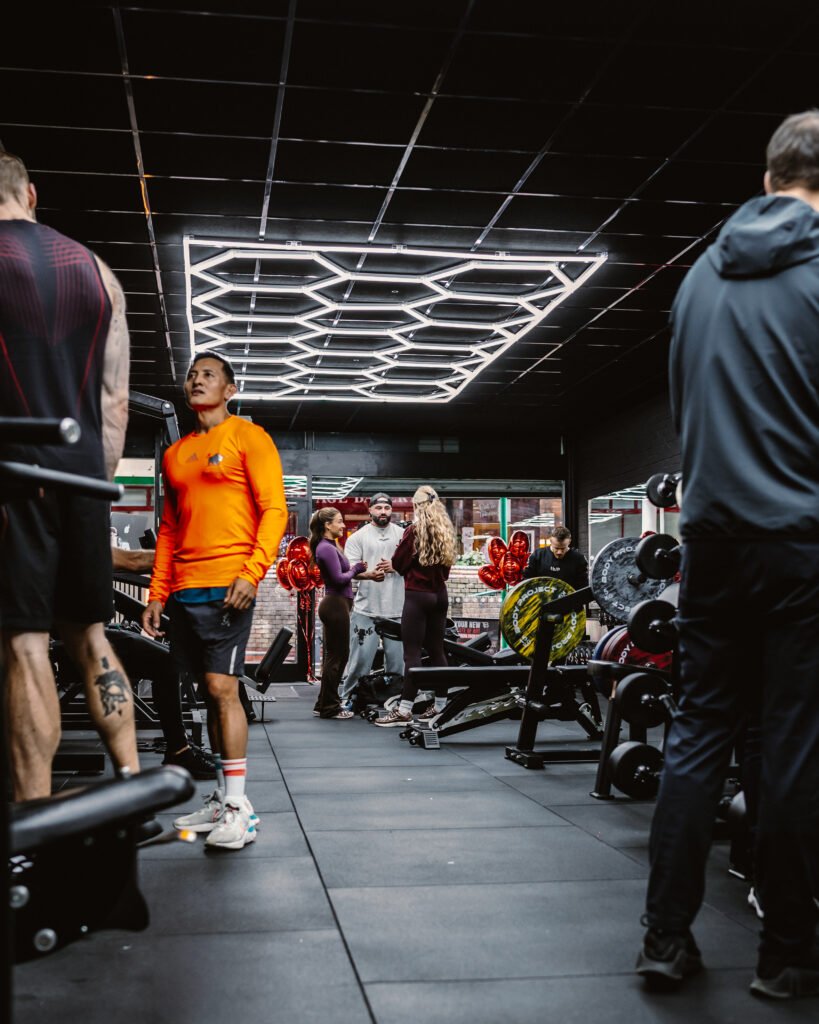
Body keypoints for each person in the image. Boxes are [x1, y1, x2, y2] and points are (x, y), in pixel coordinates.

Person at [636, 110, 819, 1000]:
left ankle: (665, 942)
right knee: (790, 745)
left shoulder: (700, 277)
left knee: (696, 732)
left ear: (766, 180)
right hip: (801, 542)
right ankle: (785, 954)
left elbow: (683, 409)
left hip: (710, 540)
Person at [0, 149, 140, 799]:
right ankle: (131, 786)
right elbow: (115, 401)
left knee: (24, 643)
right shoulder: (98, 271)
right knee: (90, 633)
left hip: (12, 474)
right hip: (85, 477)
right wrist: (93, 486)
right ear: (32, 194)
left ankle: (35, 816)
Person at [142, 352, 287, 851]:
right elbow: (168, 529)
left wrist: (253, 572)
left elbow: (275, 510)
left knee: (223, 688)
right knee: (207, 692)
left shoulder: (249, 437)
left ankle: (240, 808)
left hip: (230, 585)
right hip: (184, 588)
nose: (197, 380)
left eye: (209, 374)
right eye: (192, 374)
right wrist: (157, 592)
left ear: (230, 389)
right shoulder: (176, 454)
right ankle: (224, 796)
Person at [110, 544, 215, 779]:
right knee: (165, 662)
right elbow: (132, 560)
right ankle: (178, 751)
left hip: (86, 629)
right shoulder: (73, 538)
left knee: (166, 658)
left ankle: (180, 747)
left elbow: (117, 590)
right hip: (76, 635)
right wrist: (189, 558)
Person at [374, 485, 457, 727]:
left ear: (417, 506)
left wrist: (400, 564)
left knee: (411, 654)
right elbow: (446, 571)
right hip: (440, 595)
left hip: (417, 597)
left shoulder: (414, 531)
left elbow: (399, 564)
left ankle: (404, 710)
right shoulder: (445, 531)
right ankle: (440, 706)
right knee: (438, 650)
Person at [338, 493, 405, 709]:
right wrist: (369, 575)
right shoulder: (358, 537)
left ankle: (395, 702)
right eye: (378, 508)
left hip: (397, 609)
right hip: (366, 609)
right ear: (370, 510)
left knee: (397, 663)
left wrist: (395, 567)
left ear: (391, 510)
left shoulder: (403, 535)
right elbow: (350, 570)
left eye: (387, 508)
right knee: (360, 660)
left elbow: (413, 566)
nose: (383, 511)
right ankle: (350, 698)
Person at [310, 507, 366, 720]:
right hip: (335, 605)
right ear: (327, 525)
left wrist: (362, 572)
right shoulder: (325, 548)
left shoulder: (331, 546)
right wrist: (356, 569)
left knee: (336, 656)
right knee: (337, 656)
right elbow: (338, 579)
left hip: (338, 604)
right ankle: (330, 707)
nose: (343, 525)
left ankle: (323, 703)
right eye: (339, 521)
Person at [521, 526, 588, 591]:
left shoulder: (578, 559)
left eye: (563, 548)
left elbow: (583, 587)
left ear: (569, 542)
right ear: (550, 541)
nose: (559, 552)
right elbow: (527, 581)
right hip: (542, 597)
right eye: (556, 548)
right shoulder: (538, 555)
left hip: (570, 598)